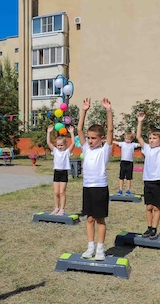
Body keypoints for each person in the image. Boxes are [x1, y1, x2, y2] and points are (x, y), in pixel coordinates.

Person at [76, 97, 114, 261]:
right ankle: (90, 246)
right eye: (89, 138)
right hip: (87, 187)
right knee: (89, 218)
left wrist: (108, 110)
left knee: (100, 219)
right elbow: (79, 130)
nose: (90, 141)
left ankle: (100, 248)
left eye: (94, 138)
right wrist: (84, 110)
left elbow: (111, 131)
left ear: (102, 139)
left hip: (100, 188)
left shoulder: (104, 150)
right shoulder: (86, 148)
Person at [135, 112, 160, 238]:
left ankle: (154, 229)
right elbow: (138, 136)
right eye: (150, 138)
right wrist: (140, 121)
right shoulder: (146, 148)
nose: (151, 140)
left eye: (154, 138)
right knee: (148, 207)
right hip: (147, 181)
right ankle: (149, 228)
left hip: (157, 181)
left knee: (156, 207)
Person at [46, 124, 76, 215]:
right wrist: (48, 132)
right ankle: (56, 208)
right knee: (56, 192)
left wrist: (71, 133)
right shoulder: (55, 151)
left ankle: (62, 209)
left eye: (61, 145)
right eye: (58, 145)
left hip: (64, 173)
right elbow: (49, 143)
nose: (59, 147)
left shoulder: (67, 152)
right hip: (56, 173)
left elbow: (73, 143)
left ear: (65, 145)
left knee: (62, 192)